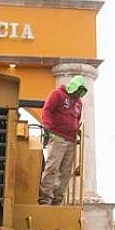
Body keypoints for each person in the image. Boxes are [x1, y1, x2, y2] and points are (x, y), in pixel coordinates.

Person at [37, 75, 87, 205]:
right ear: (73, 87)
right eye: (78, 91)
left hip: (70, 140)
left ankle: (57, 200)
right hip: (57, 136)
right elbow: (47, 110)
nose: (79, 94)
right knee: (52, 167)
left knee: (65, 172)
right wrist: (46, 126)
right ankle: (45, 199)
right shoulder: (57, 95)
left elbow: (77, 119)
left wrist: (76, 130)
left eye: (81, 92)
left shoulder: (79, 103)